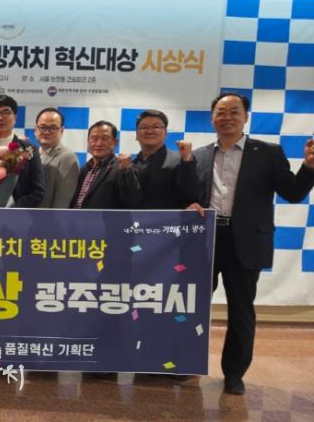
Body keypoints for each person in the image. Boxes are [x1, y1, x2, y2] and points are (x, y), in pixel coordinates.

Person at [191, 92, 314, 395]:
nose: (227, 117)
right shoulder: (200, 155)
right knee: (192, 306)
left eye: (234, 111)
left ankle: (234, 373)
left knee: (241, 310)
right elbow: (189, 194)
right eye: (221, 112)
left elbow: (293, 192)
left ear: (246, 117)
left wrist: (309, 167)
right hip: (204, 240)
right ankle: (186, 363)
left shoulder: (268, 152)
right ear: (212, 118)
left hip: (244, 242)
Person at [131, 109, 198, 208]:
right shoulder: (131, 164)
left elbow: (190, 197)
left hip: (169, 218)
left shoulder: (181, 160)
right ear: (136, 134)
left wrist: (187, 160)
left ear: (166, 133)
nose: (149, 131)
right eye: (144, 127)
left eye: (156, 127)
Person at [70, 121, 141, 209]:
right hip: (76, 217)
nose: (98, 143)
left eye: (104, 138)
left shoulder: (122, 168)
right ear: (88, 141)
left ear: (115, 142)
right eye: (94, 138)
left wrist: (127, 170)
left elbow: (133, 202)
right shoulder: (83, 169)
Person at [34, 107, 79, 208]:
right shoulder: (32, 154)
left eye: (53, 128)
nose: (47, 132)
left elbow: (62, 202)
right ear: (35, 129)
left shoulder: (67, 157)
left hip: (47, 217)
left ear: (61, 131)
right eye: (43, 127)